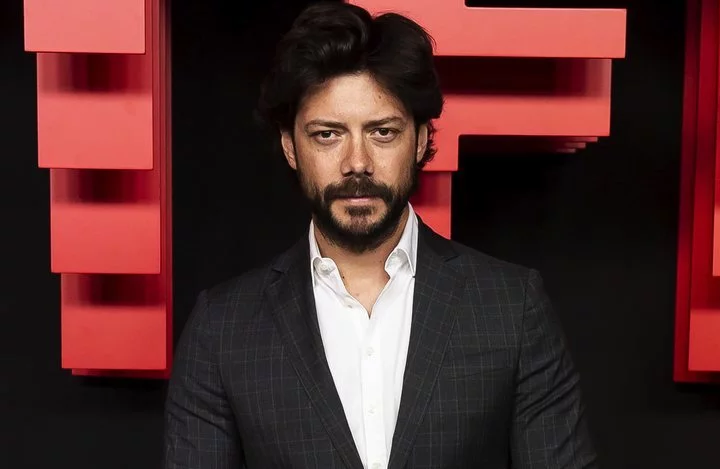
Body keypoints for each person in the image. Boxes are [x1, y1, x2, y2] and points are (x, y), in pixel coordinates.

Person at [164, 2, 597, 468]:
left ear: (422, 139)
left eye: (383, 132)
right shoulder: (222, 329)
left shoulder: (511, 308)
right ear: (290, 145)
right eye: (328, 135)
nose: (357, 163)